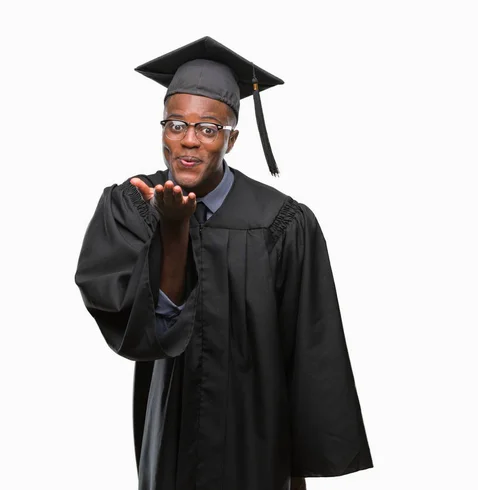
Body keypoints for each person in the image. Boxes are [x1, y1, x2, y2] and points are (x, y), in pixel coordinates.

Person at [75, 36, 372, 490]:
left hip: (258, 440)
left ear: (232, 137)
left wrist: (297, 465)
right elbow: (139, 331)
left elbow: (311, 350)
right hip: (169, 437)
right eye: (175, 125)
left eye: (208, 129)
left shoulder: (282, 222)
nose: (188, 142)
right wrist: (172, 231)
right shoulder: (134, 205)